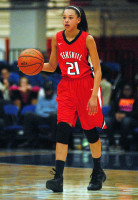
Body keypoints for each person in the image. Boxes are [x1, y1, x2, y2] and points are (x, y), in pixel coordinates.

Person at [42, 5, 106, 192]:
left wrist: (94, 95)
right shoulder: (57, 38)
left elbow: (98, 69)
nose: (66, 20)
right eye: (64, 17)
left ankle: (97, 171)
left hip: (86, 88)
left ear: (78, 20)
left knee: (90, 132)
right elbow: (53, 66)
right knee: (62, 130)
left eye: (70, 17)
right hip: (67, 88)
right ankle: (58, 178)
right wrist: (35, 67)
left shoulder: (88, 39)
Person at [19, 81, 57, 148]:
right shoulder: (41, 98)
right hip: (42, 117)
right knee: (28, 115)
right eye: (46, 90)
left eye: (49, 90)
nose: (47, 91)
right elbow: (38, 111)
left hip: (52, 118)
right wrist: (47, 112)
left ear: (52, 90)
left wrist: (45, 111)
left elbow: (57, 110)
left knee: (55, 116)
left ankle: (54, 142)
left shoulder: (57, 98)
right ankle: (31, 141)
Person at [106, 83, 138, 151]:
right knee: (107, 121)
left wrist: (125, 114)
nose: (126, 91)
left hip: (131, 120)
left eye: (128, 90)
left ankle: (121, 145)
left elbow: (136, 113)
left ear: (131, 90)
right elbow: (111, 111)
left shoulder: (136, 100)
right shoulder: (118, 99)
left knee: (126, 121)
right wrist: (116, 114)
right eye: (125, 89)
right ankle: (112, 144)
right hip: (118, 119)